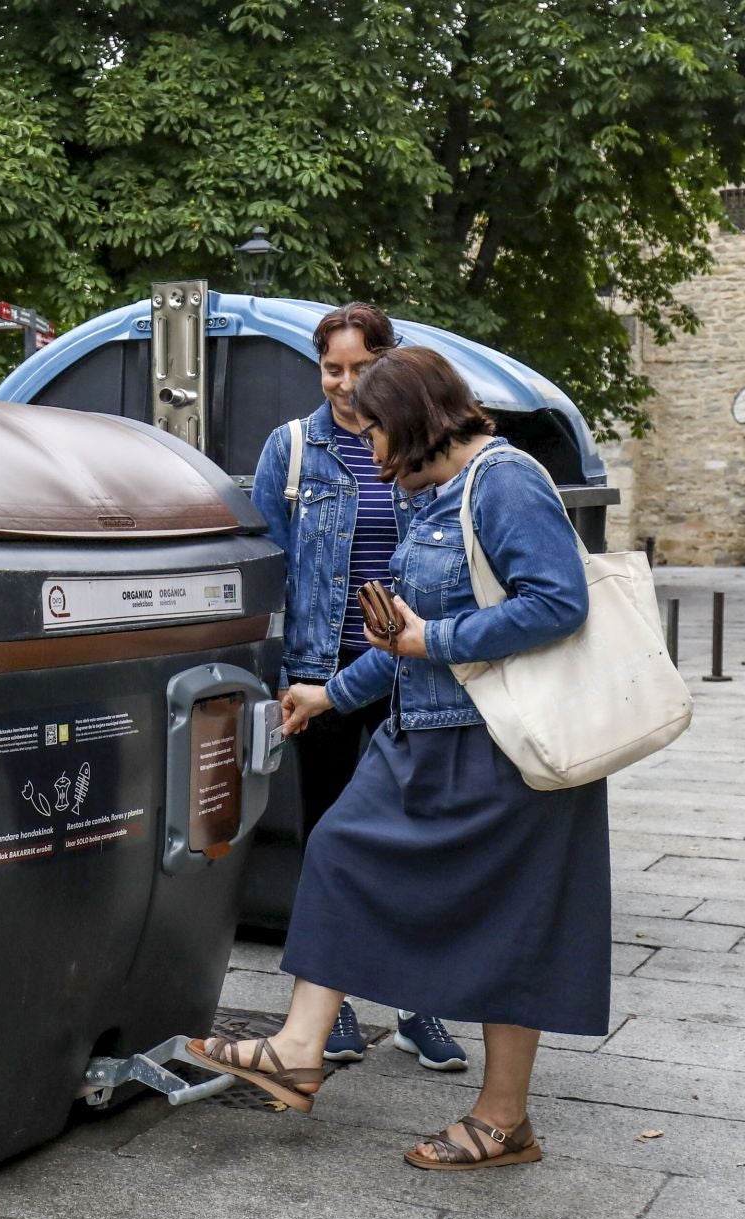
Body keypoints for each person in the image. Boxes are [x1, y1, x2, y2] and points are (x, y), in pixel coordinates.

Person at [191, 346, 609, 1171]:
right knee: (341, 850)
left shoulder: (504, 480)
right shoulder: (424, 494)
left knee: (510, 920)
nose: (366, 441)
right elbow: (403, 636)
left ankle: (503, 1120)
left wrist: (432, 637)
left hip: (501, 742)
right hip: (420, 731)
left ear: (414, 419)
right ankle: (299, 1049)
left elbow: (558, 602)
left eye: (375, 425)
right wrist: (331, 693)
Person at [249, 304, 466, 1073]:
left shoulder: (415, 442)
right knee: (328, 840)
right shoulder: (295, 448)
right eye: (330, 369)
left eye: (359, 368)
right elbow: (267, 557)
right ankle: (328, 1007)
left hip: (408, 668)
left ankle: (418, 1003)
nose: (344, 385)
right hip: (322, 672)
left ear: (388, 361)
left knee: (415, 838)